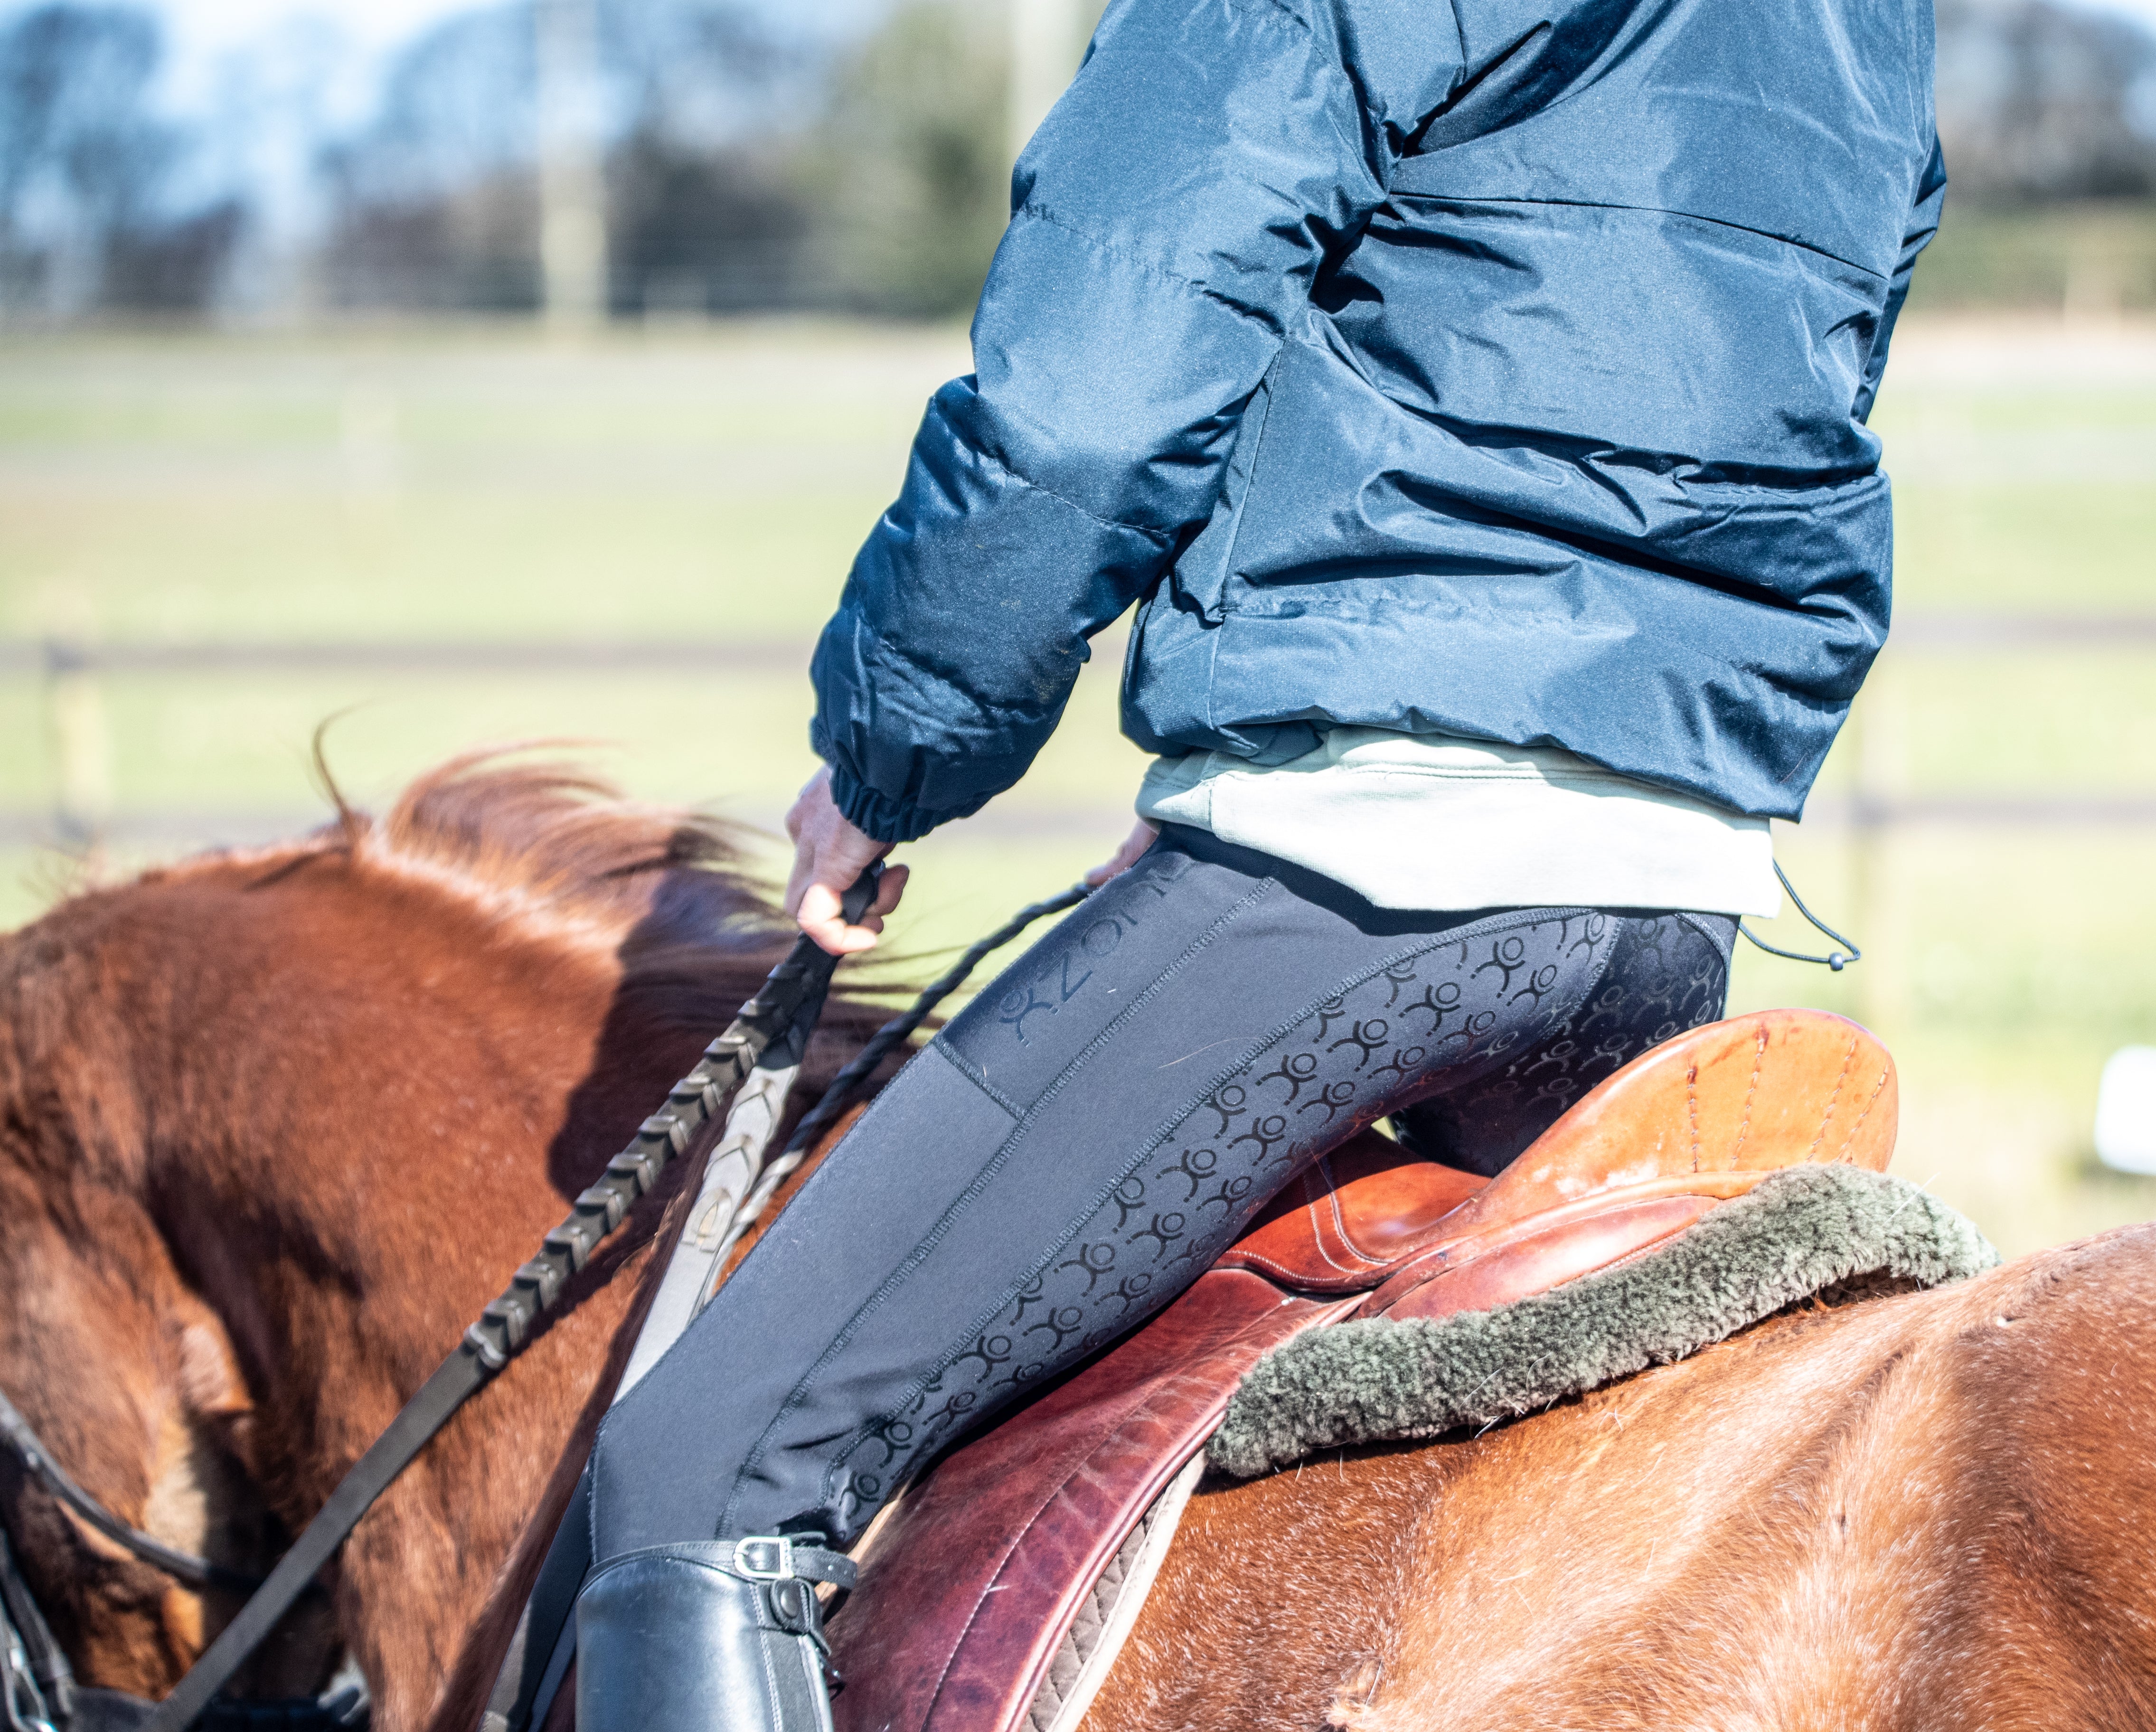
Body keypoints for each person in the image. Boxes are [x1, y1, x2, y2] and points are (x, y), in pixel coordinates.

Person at [570, 1, 1943, 1727]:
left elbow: (1084, 409)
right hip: (1672, 905)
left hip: (1361, 874)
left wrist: (893, 752)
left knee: (701, 1478)